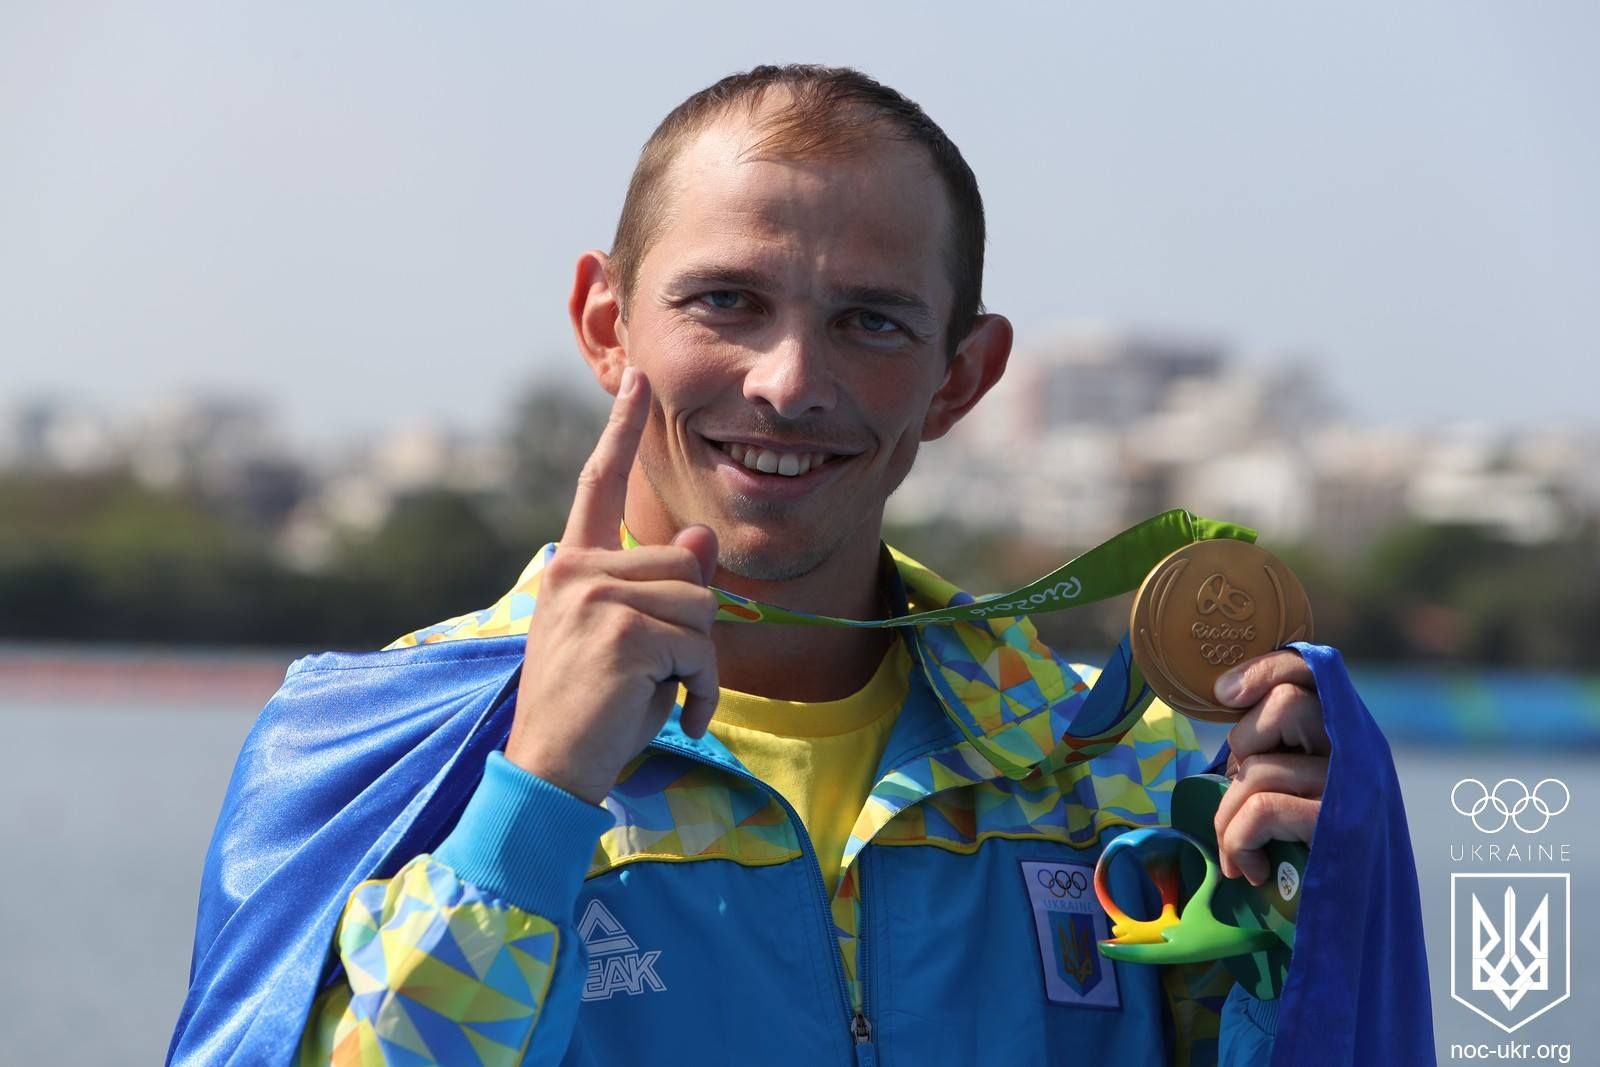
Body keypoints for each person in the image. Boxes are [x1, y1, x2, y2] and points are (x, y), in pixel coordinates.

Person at [169, 65, 1431, 1066]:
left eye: (869, 321)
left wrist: (1311, 921)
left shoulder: (1120, 770)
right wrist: (535, 798)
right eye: (725, 301)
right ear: (607, 328)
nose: (788, 382)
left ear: (960, 377)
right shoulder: (382, 750)